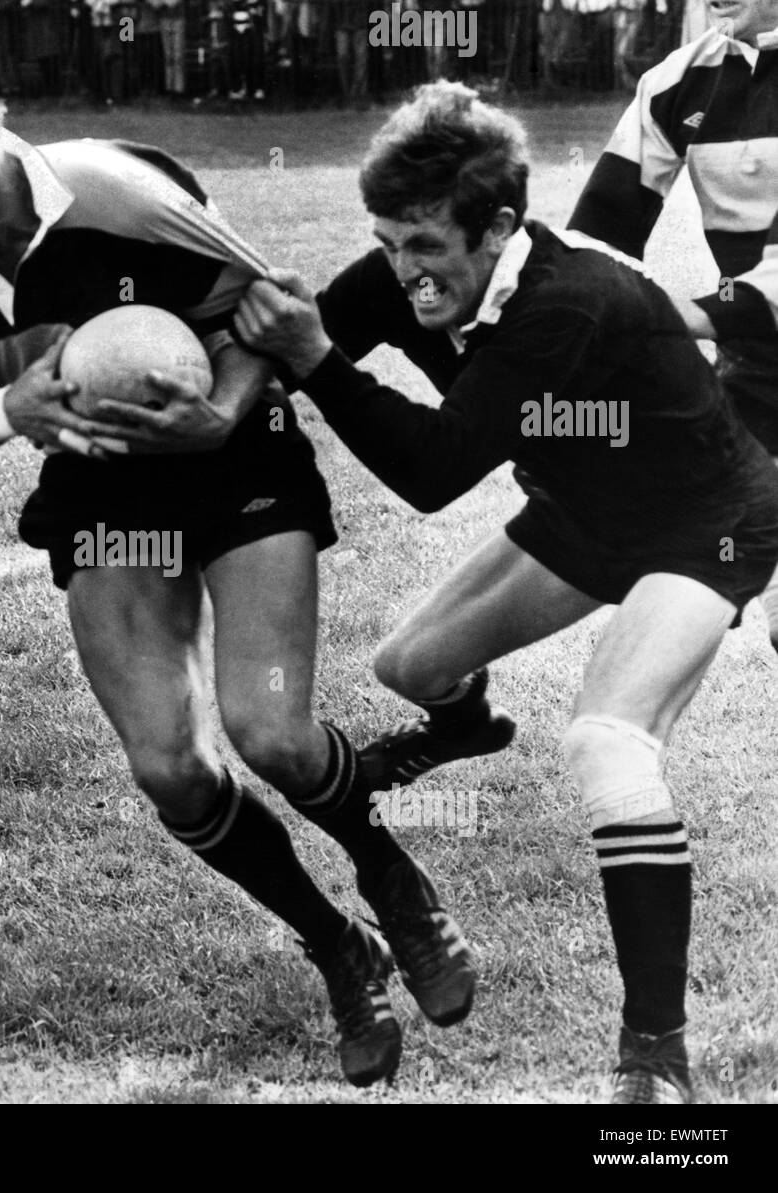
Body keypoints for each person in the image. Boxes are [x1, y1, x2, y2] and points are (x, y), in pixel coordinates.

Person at [0, 25, 477, 1086]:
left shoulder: (120, 196)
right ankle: (336, 943)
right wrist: (8, 408)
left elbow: (269, 314)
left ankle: (390, 875)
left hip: (237, 465)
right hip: (104, 497)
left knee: (269, 728)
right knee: (170, 769)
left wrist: (218, 413)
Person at [234, 80, 778, 1104]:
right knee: (411, 666)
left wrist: (307, 358)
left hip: (702, 518)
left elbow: (433, 468)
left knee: (608, 741)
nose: (405, 271)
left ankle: (656, 1057)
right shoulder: (417, 264)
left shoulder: (565, 301)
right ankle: (469, 724)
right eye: (388, 241)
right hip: (583, 509)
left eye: (425, 246)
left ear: (498, 225)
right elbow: (308, 341)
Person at [569, 0, 778, 654]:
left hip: (747, 344)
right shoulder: (678, 83)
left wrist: (678, 316)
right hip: (758, 377)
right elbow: (598, 238)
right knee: (687, 566)